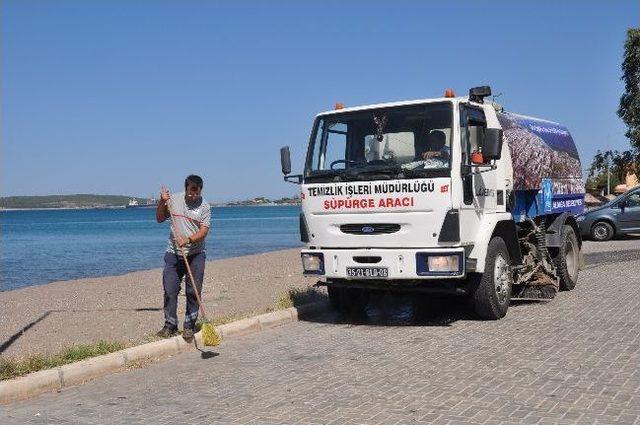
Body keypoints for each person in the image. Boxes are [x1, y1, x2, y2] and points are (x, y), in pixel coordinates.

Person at [155, 174, 211, 342]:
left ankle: (189, 326)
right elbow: (159, 218)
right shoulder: (175, 199)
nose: (193, 196)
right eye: (190, 193)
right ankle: (170, 325)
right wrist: (162, 202)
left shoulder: (205, 207)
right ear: (185, 188)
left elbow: (204, 231)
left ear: (201, 190)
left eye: (197, 193)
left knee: (193, 291)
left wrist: (188, 239)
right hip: (173, 253)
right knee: (170, 289)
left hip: (196, 254)